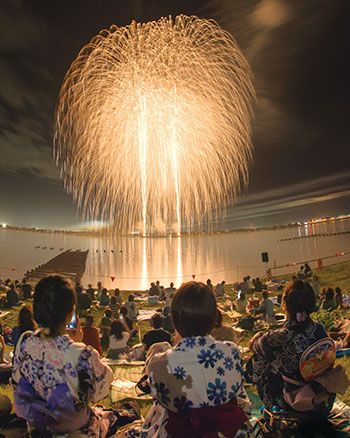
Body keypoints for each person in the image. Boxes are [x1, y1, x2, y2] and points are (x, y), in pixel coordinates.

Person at [119, 281, 254, 438]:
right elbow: (242, 403)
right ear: (213, 318)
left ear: (175, 320)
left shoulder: (159, 364)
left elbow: (161, 401)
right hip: (229, 433)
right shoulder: (231, 352)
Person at [12, 274, 139, 436]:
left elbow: (17, 381)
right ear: (71, 312)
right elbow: (101, 389)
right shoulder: (82, 355)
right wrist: (78, 344)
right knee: (125, 410)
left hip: (38, 427)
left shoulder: (25, 341)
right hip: (76, 431)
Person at [245, 279, 349, 434]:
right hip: (323, 404)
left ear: (285, 305)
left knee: (262, 369)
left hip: (295, 410)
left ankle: (275, 414)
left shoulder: (275, 339)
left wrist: (256, 344)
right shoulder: (319, 329)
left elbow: (253, 373)